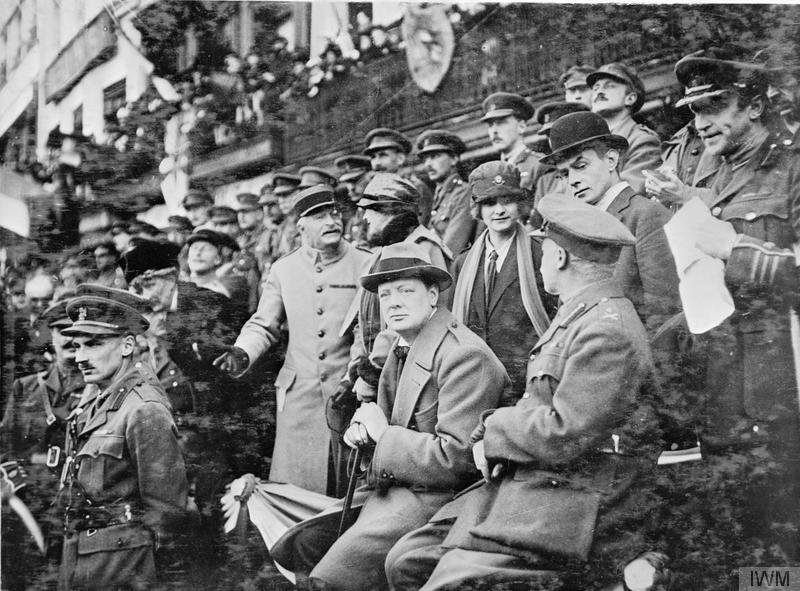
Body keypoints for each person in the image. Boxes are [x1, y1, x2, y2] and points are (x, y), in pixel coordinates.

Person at [385, 195, 662, 591]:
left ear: (561, 259)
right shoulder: (579, 313)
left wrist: (494, 431)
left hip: (578, 497)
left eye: (544, 250)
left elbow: (567, 429)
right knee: (407, 559)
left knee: (443, 580)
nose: (540, 259)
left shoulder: (605, 328)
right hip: (541, 479)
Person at [645, 52, 800, 588]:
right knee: (737, 529)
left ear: (755, 106)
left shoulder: (792, 165)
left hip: (781, 376)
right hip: (721, 376)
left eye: (716, 106)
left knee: (782, 539)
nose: (701, 122)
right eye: (695, 110)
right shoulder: (709, 167)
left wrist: (735, 251)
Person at [304, 242, 510, 590]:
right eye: (385, 295)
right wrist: (363, 432)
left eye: (405, 291)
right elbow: (386, 422)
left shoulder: (464, 356)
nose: (394, 302)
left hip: (443, 500)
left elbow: (456, 460)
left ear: (433, 297)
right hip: (397, 488)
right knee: (305, 542)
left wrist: (382, 435)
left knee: (330, 577)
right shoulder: (407, 346)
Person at [214, 185, 371, 495]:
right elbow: (264, 323)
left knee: (344, 490)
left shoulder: (363, 263)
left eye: (334, 214)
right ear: (301, 227)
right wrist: (243, 351)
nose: (331, 222)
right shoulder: (284, 270)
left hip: (345, 393)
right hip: (299, 398)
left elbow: (366, 331)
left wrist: (353, 375)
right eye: (319, 217)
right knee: (297, 491)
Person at [57, 284, 187, 590]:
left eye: (93, 344)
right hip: (83, 559)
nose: (80, 357)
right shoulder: (97, 400)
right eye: (77, 346)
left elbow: (166, 515)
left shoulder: (144, 409)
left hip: (124, 568)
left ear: (127, 345)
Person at [338, 173, 452, 439]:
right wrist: (351, 374)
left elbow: (415, 322)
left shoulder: (424, 248)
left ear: (389, 210)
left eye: (370, 211)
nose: (364, 219)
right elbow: (361, 321)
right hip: (378, 375)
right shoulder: (380, 253)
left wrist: (370, 373)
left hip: (408, 377)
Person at [541, 111, 680, 325]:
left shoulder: (646, 215)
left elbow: (665, 316)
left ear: (611, 159)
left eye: (581, 166)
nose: (573, 181)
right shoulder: (576, 226)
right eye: (565, 173)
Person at [451, 161, 557, 396]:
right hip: (476, 383)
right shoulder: (463, 263)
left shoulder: (540, 254)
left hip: (528, 384)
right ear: (477, 209)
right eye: (489, 203)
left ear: (520, 204)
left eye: (507, 200)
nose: (499, 210)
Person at [1, 296, 84, 588]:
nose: (71, 339)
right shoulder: (25, 388)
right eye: (63, 331)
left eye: (78, 331)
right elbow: (5, 446)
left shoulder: (100, 389)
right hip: (30, 502)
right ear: (52, 336)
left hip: (76, 507)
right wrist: (18, 487)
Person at [586, 62, 662, 194]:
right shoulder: (589, 142)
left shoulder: (642, 140)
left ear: (630, 98)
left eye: (609, 86)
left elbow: (628, 195)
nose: (599, 92)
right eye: (596, 88)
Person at [416, 129, 476, 255]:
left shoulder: (464, 193)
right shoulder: (440, 196)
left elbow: (451, 248)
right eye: (425, 159)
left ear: (454, 159)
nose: (428, 164)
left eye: (434, 157)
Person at [480, 92, 552, 193]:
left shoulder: (538, 165)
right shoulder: (491, 173)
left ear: (521, 127)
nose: (494, 130)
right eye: (491, 125)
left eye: (501, 122)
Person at [363, 127, 434, 226]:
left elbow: (419, 229)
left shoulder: (415, 189)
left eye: (383, 155)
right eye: (373, 157)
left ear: (400, 159)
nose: (376, 163)